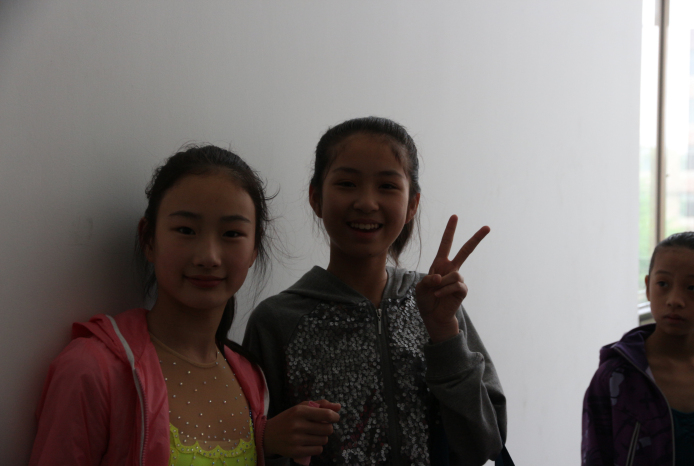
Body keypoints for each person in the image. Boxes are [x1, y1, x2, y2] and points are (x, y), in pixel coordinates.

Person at [29, 145, 339, 466]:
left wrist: (265, 440)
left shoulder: (250, 377)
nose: (208, 257)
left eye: (232, 233)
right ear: (149, 239)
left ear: (253, 250)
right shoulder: (92, 370)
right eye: (186, 230)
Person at [244, 117, 507, 465]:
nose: (367, 202)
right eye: (347, 183)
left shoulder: (438, 305)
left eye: (387, 186)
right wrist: (271, 442)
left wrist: (445, 334)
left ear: (412, 205)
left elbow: (483, 446)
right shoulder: (277, 321)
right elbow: (251, 447)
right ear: (316, 197)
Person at [582, 231, 694, 466]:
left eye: (693, 287)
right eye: (663, 284)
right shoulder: (615, 378)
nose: (674, 300)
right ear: (647, 287)